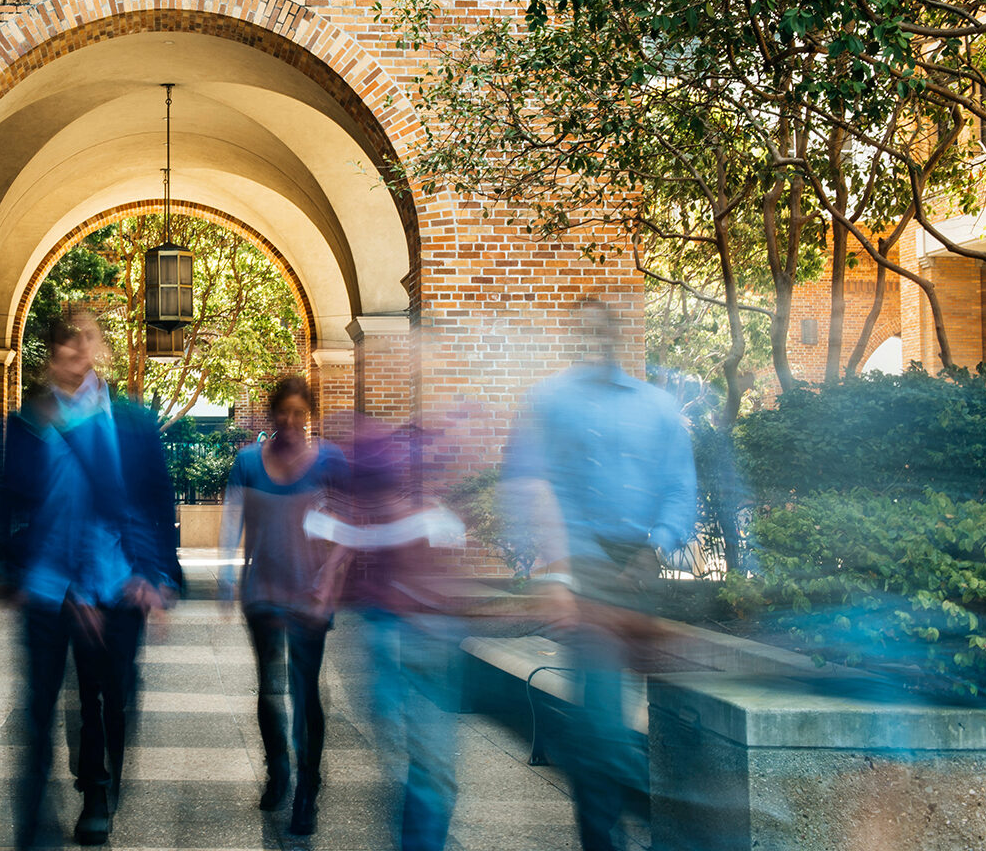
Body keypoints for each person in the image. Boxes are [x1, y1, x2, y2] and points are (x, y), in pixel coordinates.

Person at [501, 298, 698, 851]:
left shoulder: (657, 407)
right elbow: (528, 481)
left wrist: (657, 545)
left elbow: (681, 488)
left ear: (618, 335)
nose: (595, 339)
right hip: (583, 572)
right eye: (583, 330)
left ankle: (635, 814)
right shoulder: (549, 401)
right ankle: (603, 836)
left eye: (603, 328)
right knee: (604, 716)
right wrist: (558, 574)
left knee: (641, 713)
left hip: (643, 571)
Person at [0, 308, 181, 849]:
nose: (77, 347)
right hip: (49, 587)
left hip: (115, 582)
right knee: (38, 705)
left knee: (107, 699)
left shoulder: (130, 423)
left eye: (88, 337)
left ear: (101, 347)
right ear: (52, 352)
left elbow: (156, 503)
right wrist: (15, 572)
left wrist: (157, 577)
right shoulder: (28, 423)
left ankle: (97, 792)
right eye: (66, 339)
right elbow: (7, 505)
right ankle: (32, 824)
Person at [308, 412, 468, 851]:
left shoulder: (415, 519)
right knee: (423, 765)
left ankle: (422, 834)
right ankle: (422, 835)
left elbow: (349, 528)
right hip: (402, 635)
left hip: (414, 635)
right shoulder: (412, 518)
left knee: (421, 763)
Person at [218, 376, 346, 836]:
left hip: (311, 595)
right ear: (271, 417)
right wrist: (227, 575)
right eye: (283, 413)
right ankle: (279, 771)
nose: (291, 422)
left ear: (308, 416)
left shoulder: (329, 462)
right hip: (263, 594)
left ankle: (308, 789)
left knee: (305, 690)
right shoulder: (249, 462)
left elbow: (348, 524)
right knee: (271, 686)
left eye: (299, 413)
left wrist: (329, 578)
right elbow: (233, 517)